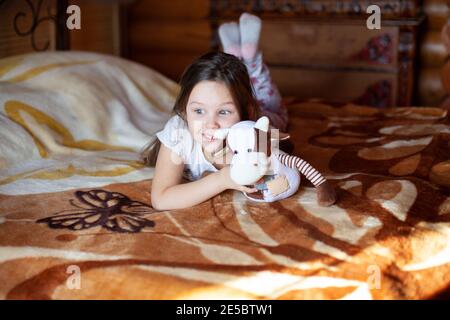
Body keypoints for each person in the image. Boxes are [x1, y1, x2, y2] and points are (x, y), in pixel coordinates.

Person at [141, 13, 335, 210]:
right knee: (247, 92)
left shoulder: (257, 134)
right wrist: (222, 179)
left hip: (264, 114)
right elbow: (161, 199)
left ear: (247, 113)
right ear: (184, 110)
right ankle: (245, 59)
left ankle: (253, 63)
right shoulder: (179, 132)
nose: (210, 124)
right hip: (244, 105)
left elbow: (282, 175)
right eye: (199, 110)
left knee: (274, 110)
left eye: (224, 112)